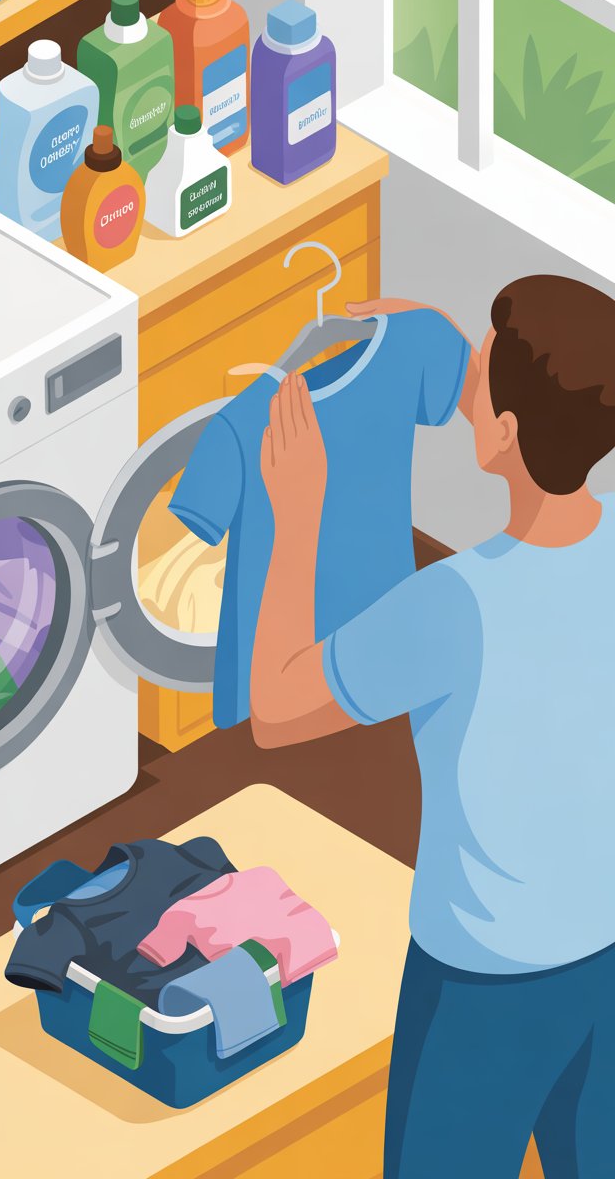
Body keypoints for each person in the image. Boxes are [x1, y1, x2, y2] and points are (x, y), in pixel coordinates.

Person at [249, 275, 615, 1179]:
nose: (468, 388)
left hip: (482, 990)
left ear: (509, 431)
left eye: (481, 377)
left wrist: (299, 511)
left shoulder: (455, 606)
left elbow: (277, 707)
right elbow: (546, 422)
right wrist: (459, 348)